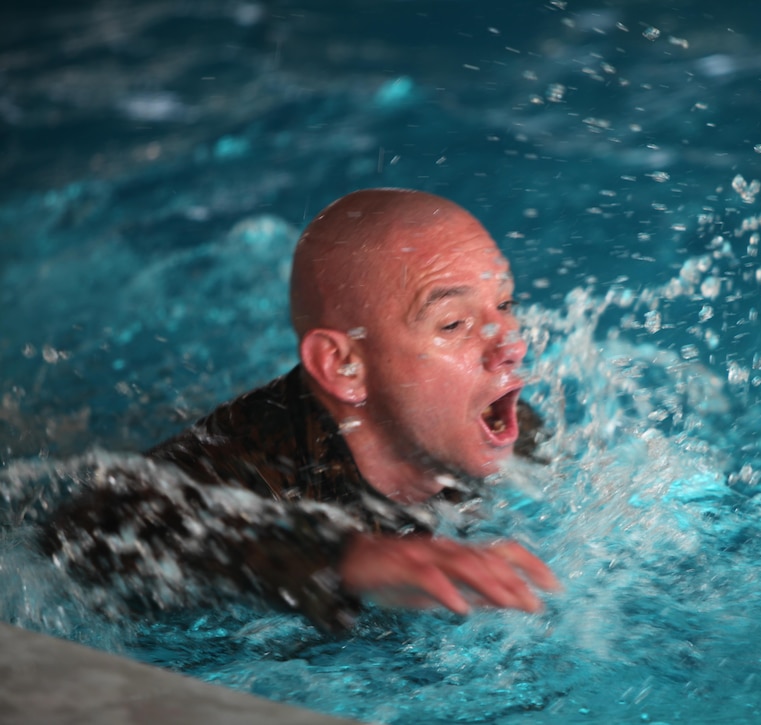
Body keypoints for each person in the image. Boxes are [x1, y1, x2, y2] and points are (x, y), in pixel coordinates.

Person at [39, 188, 560, 632]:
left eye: (505, 305)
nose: (510, 343)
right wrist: (342, 559)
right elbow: (78, 540)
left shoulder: (505, 429)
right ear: (344, 366)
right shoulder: (240, 478)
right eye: (453, 325)